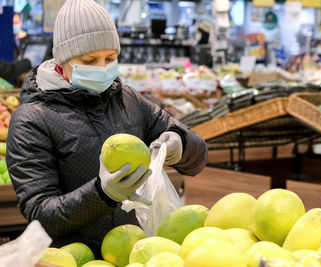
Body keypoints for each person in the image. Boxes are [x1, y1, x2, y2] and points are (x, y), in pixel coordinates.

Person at [6, 0, 207, 257]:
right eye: (89, 60)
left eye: (110, 58)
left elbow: (199, 157)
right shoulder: (32, 119)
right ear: (62, 60)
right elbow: (40, 214)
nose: (102, 68)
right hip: (73, 259)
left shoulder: (129, 100)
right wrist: (101, 193)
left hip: (135, 255)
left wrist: (180, 144)